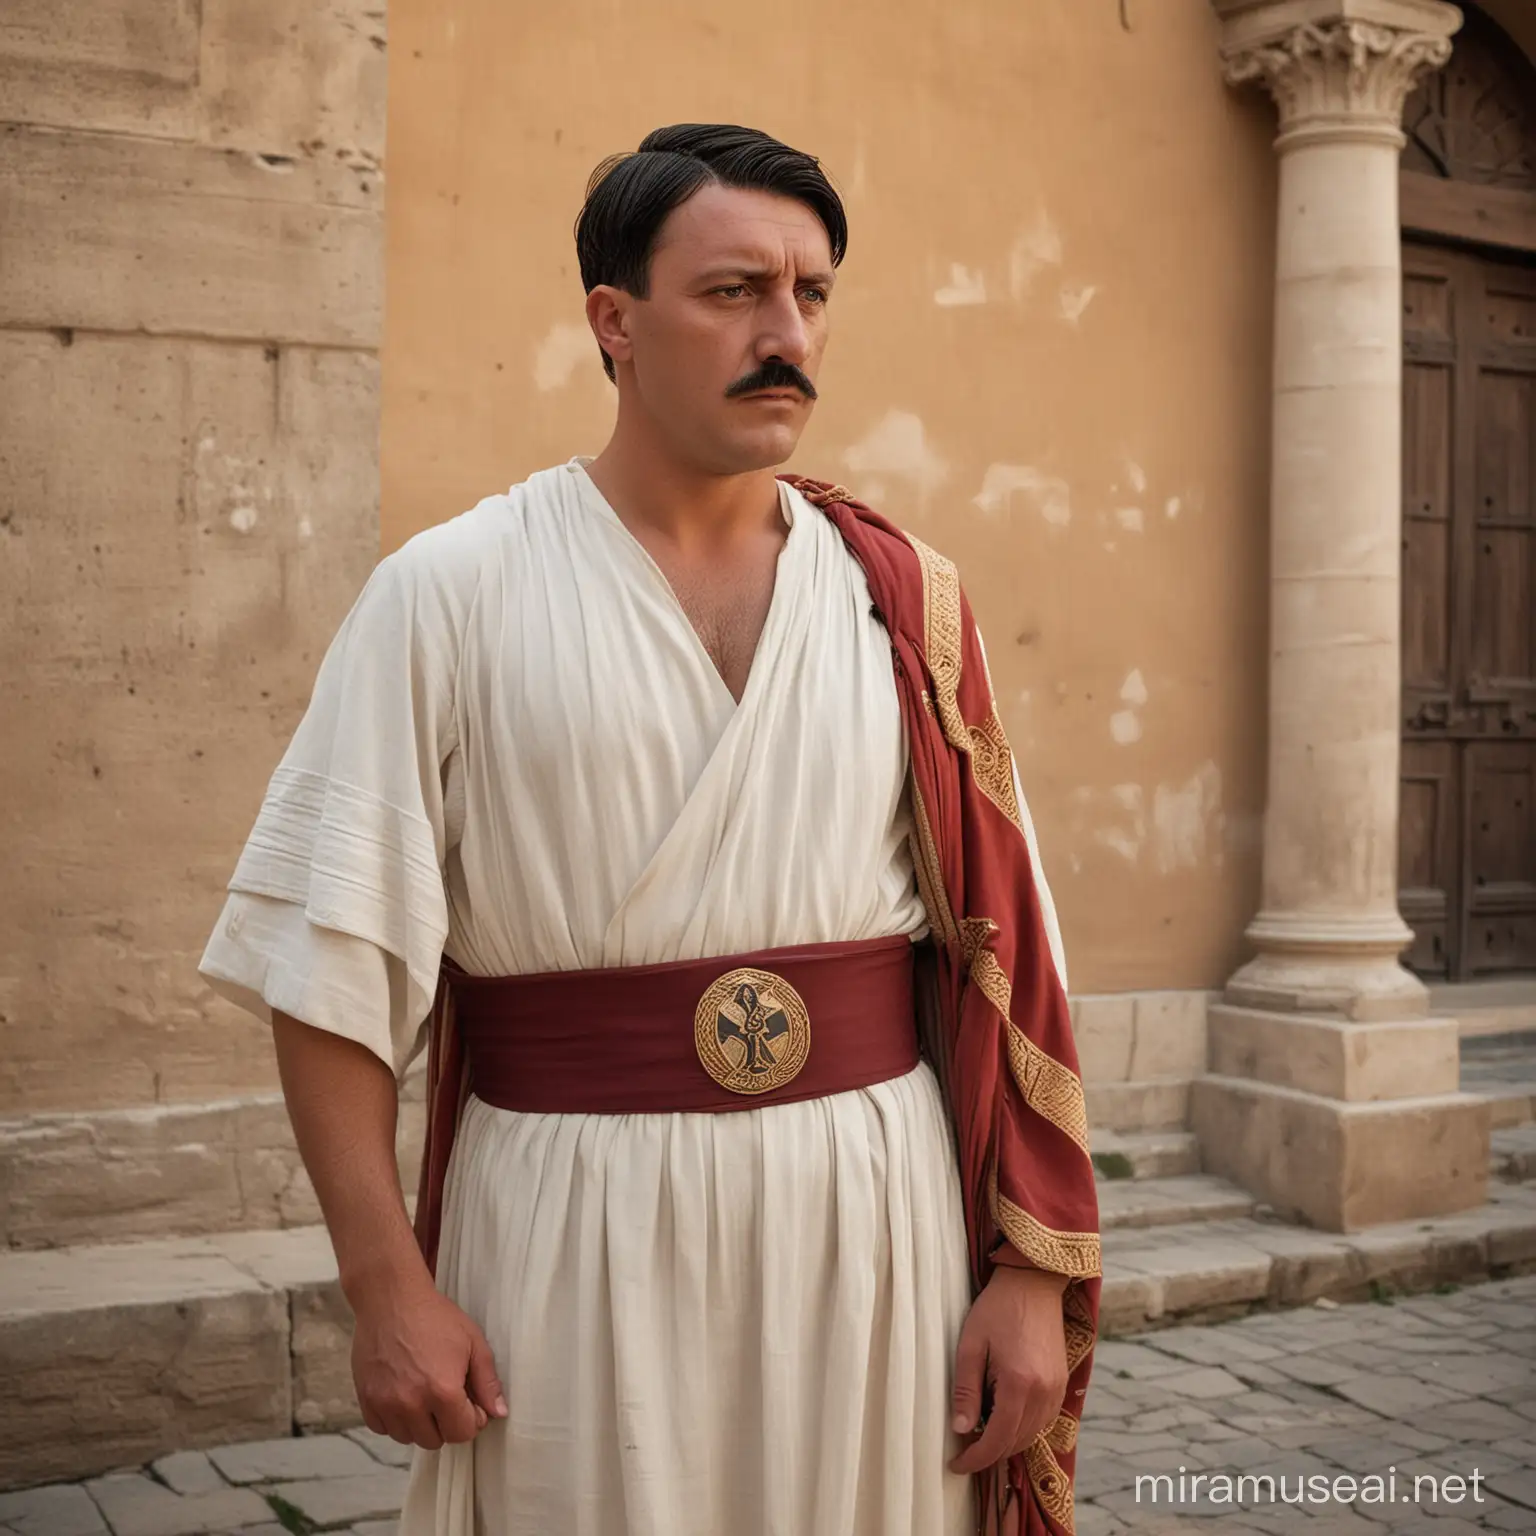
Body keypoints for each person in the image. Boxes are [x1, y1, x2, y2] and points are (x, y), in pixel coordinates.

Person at [199, 122, 1100, 1536]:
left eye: (811, 293)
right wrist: (386, 1290)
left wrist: (1031, 1274)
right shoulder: (450, 593)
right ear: (614, 323)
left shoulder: (905, 600)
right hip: (568, 1231)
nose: (786, 331)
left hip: (875, 1229)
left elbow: (1011, 957)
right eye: (734, 291)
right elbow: (330, 978)